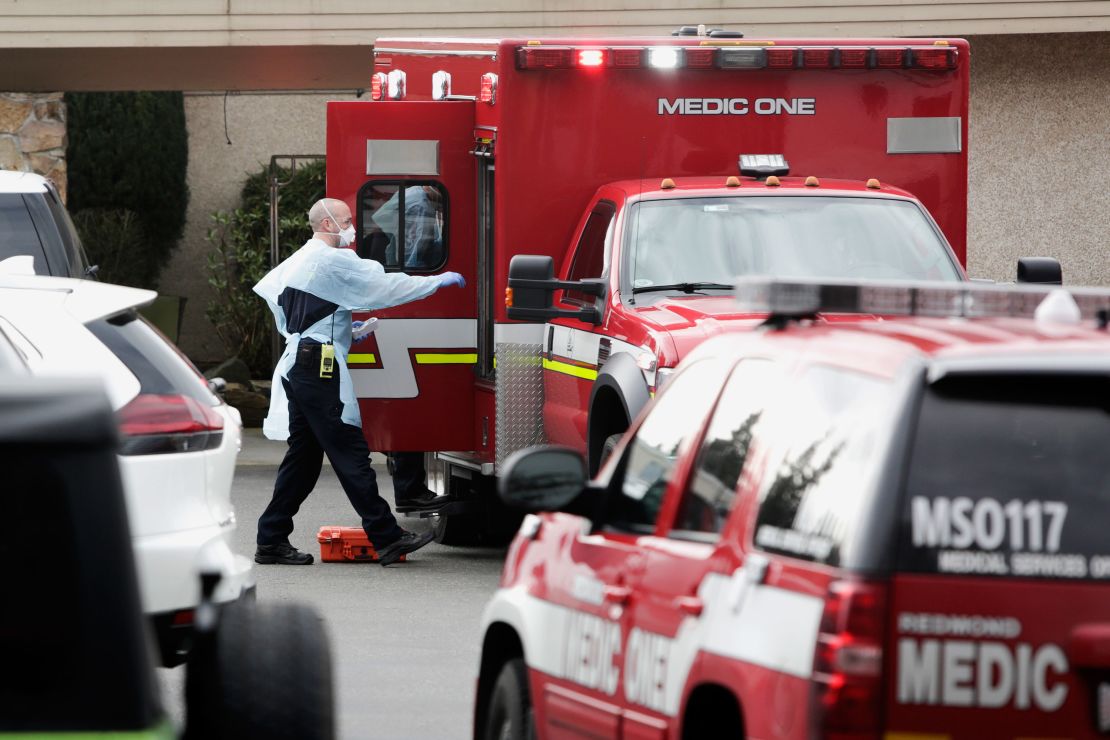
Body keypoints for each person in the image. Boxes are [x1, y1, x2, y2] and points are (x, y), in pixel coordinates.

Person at [253, 197, 466, 566]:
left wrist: (343, 331)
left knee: (302, 462)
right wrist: (434, 283)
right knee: (350, 453)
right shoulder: (330, 259)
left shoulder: (302, 260)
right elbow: (384, 287)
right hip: (318, 366)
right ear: (327, 224)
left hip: (303, 361)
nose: (352, 226)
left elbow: (299, 313)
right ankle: (387, 536)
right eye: (347, 220)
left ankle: (271, 539)